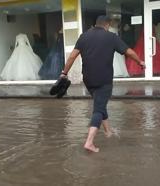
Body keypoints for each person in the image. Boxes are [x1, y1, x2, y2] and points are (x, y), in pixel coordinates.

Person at [60, 15, 145, 152]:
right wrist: (140, 62)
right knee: (98, 109)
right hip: (104, 79)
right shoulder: (111, 37)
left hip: (88, 79)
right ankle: (89, 142)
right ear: (107, 25)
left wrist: (64, 73)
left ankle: (108, 131)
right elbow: (128, 52)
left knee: (100, 102)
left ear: (96, 24)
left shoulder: (84, 36)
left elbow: (72, 56)